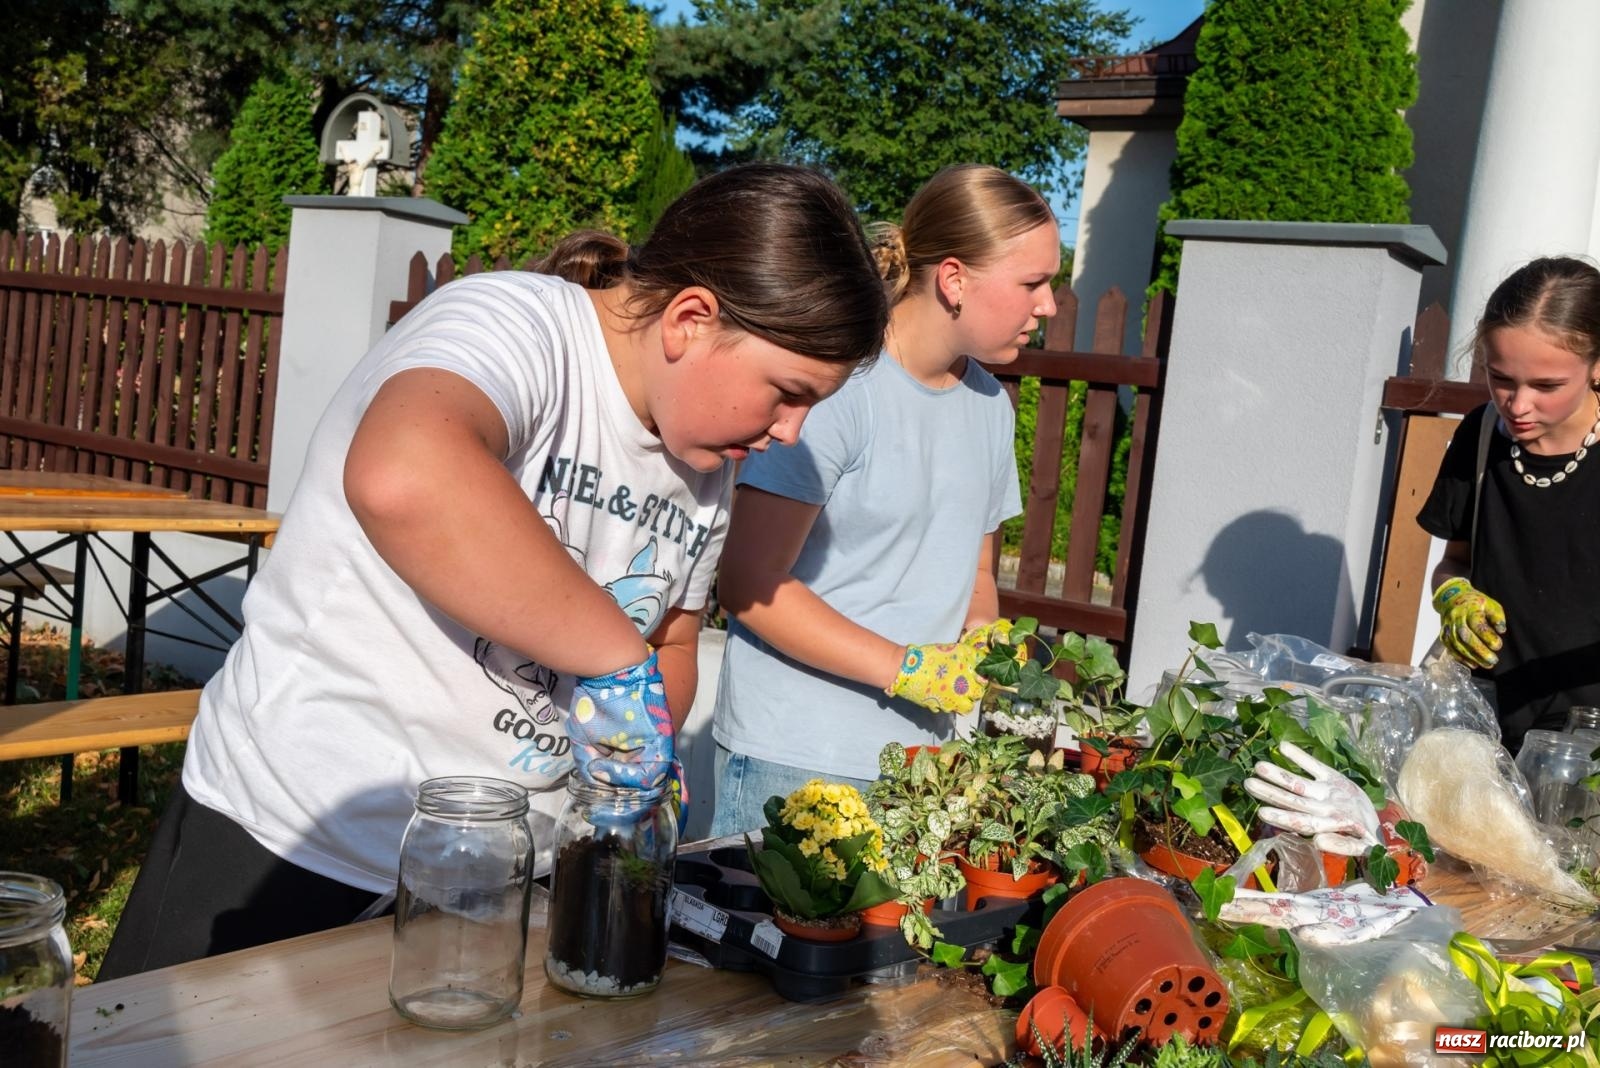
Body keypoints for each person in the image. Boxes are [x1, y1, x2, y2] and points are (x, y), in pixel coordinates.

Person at [97, 163, 888, 978]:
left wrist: (635, 754)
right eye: (787, 393)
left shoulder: (705, 464)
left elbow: (675, 640)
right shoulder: (513, 324)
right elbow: (404, 475)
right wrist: (615, 658)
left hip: (499, 877)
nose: (790, 433)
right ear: (691, 318)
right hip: (295, 839)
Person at [708, 164, 1058, 835]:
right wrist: (909, 669)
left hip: (923, 768)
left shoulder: (991, 406)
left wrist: (988, 649)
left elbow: (976, 573)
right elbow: (748, 579)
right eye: (1032, 283)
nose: (1047, 306)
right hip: (796, 760)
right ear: (955, 280)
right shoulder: (842, 386)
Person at [1418, 255, 1600, 753]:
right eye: (1501, 378)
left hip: (1589, 743)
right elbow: (1454, 562)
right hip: (1482, 724)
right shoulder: (1479, 436)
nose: (1518, 405)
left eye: (1547, 386)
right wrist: (1454, 596)